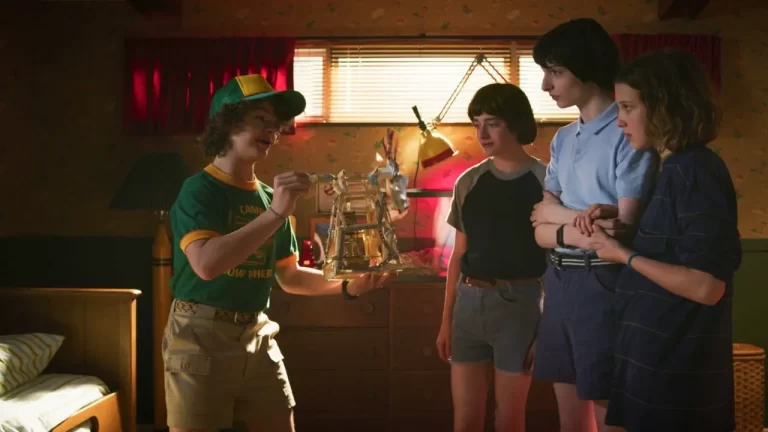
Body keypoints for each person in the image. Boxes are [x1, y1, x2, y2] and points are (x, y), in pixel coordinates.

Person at [163, 73, 396, 432]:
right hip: (199, 336)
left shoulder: (272, 198)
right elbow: (206, 264)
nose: (272, 131)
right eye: (260, 119)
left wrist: (349, 286)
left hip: (258, 334)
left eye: (275, 124)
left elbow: (290, 276)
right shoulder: (200, 190)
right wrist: (275, 215)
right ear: (228, 122)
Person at [580, 48, 742, 432]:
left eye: (628, 107)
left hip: (678, 378)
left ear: (665, 106)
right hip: (653, 366)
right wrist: (618, 217)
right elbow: (673, 245)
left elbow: (706, 286)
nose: (619, 120)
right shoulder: (669, 169)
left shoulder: (695, 171)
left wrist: (623, 254)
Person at [527, 18, 659, 432]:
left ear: (584, 69)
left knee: (608, 405)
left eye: (555, 72)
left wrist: (558, 219)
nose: (546, 85)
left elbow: (622, 226)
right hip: (559, 277)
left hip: (603, 278)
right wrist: (576, 221)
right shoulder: (564, 138)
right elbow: (539, 218)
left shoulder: (627, 129)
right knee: (567, 404)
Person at [436, 82, 546, 432]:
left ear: (515, 124)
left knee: (509, 419)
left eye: (493, 123)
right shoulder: (469, 182)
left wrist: (547, 329)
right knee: (465, 421)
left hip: (520, 305)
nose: (482, 133)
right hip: (469, 304)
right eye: (477, 123)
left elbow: (557, 263)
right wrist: (446, 320)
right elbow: (459, 255)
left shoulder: (545, 180)